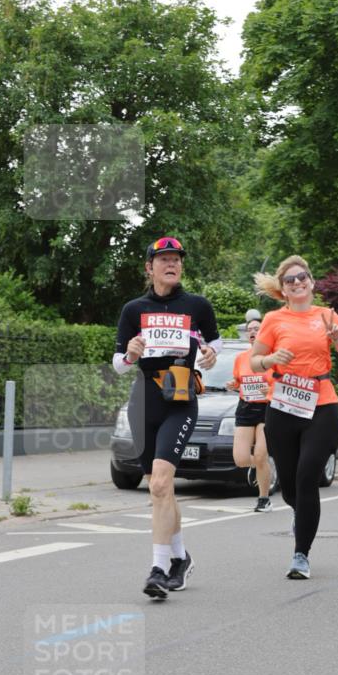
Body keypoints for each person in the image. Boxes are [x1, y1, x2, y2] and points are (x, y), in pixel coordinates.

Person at [113, 236, 221, 598]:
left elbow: (214, 346)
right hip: (144, 399)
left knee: (160, 484)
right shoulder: (133, 309)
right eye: (163, 259)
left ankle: (158, 568)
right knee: (159, 488)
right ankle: (180, 557)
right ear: (149, 267)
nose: (171, 264)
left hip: (179, 398)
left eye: (176, 259)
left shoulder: (197, 306)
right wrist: (129, 353)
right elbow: (117, 365)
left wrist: (208, 355)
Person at [249, 255, 338, 579]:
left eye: (303, 277)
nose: (297, 282)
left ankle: (301, 555)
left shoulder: (327, 316)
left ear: (312, 282)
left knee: (307, 475)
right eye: (290, 280)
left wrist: (336, 336)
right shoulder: (273, 320)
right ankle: (301, 514)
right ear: (283, 289)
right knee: (289, 489)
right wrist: (270, 358)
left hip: (321, 405)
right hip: (283, 406)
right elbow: (255, 362)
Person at [226, 317, 275, 512]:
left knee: (261, 455)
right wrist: (233, 384)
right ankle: (263, 468)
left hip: (267, 408)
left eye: (257, 328)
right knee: (240, 459)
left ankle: (264, 499)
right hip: (246, 407)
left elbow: (283, 382)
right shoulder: (241, 358)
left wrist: (270, 390)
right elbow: (239, 381)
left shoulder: (272, 357)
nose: (253, 332)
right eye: (250, 329)